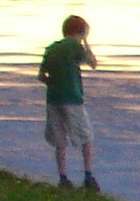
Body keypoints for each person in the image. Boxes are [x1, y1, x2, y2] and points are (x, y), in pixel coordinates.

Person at [39, 15, 100, 191]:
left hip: (53, 99)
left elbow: (41, 76)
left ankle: (63, 178)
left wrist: (55, 84)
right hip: (73, 99)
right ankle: (88, 177)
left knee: (60, 141)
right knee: (86, 138)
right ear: (81, 33)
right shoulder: (75, 46)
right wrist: (86, 43)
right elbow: (93, 64)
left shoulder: (51, 49)